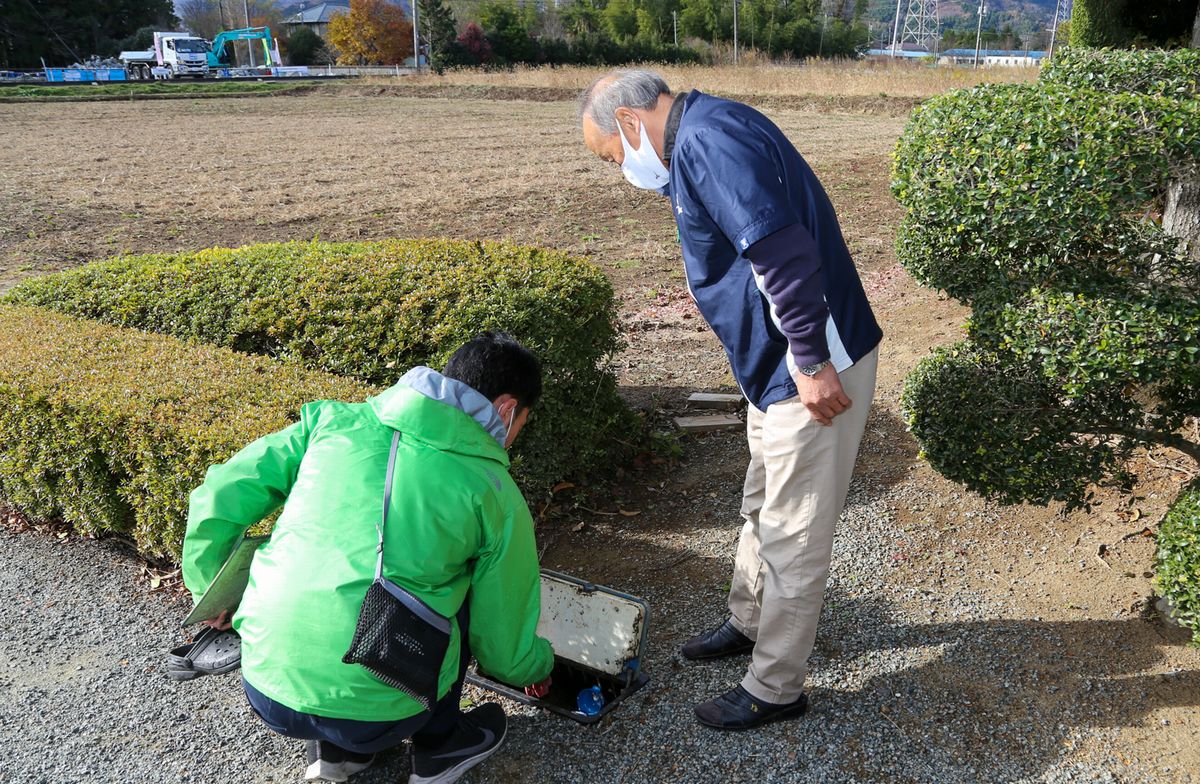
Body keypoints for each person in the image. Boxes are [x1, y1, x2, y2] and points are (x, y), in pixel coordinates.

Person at [579, 70, 883, 730]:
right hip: (775, 373)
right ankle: (749, 622)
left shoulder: (708, 143)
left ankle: (776, 686)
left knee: (794, 534)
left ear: (629, 123)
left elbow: (781, 254)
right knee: (758, 506)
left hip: (808, 367)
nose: (622, 171)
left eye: (612, 156)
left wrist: (809, 361)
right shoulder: (701, 133)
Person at [182, 332, 555, 784]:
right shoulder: (492, 489)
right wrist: (536, 666)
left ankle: (339, 753)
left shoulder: (330, 422)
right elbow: (502, 640)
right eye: (524, 423)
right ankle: (441, 745)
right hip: (386, 709)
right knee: (460, 589)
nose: (514, 438)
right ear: (506, 409)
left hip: (266, 687)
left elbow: (218, 495)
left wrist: (213, 591)